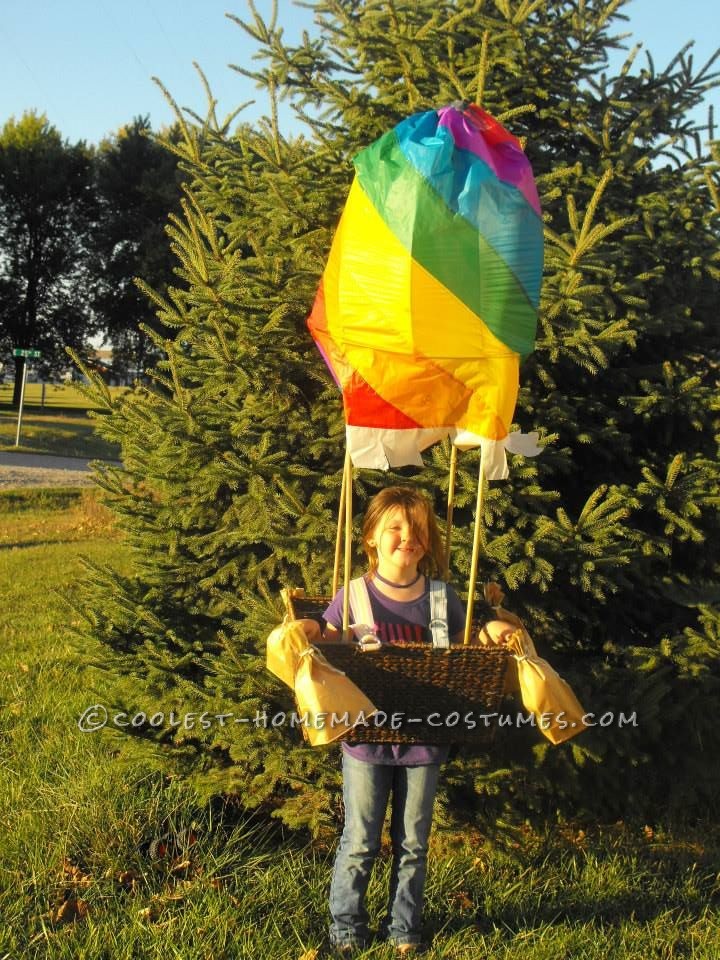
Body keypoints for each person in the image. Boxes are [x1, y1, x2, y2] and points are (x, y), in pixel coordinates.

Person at [314, 485, 514, 958]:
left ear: (430, 540)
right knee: (361, 838)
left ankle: (404, 928)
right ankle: (346, 928)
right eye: (395, 529)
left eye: (418, 530)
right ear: (370, 539)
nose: (408, 538)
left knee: (413, 841)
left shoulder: (441, 598)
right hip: (365, 741)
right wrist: (306, 630)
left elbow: (473, 635)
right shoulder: (355, 595)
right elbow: (323, 633)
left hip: (426, 738)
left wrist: (496, 628)